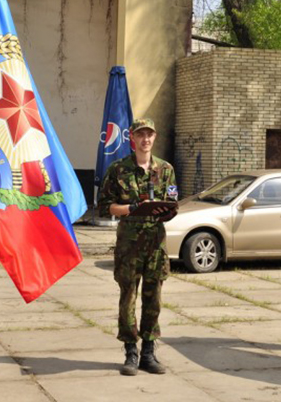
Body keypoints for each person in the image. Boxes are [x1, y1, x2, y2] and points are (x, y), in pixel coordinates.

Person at [98, 118, 178, 376]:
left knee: (153, 299)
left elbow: (172, 202)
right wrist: (132, 208)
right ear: (132, 137)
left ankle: (148, 352)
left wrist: (166, 211)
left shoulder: (165, 170)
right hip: (129, 245)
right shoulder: (118, 169)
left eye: (150, 135)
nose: (145, 139)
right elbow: (105, 206)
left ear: (154, 138)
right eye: (140, 135)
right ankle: (131, 352)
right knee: (128, 298)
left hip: (155, 244)